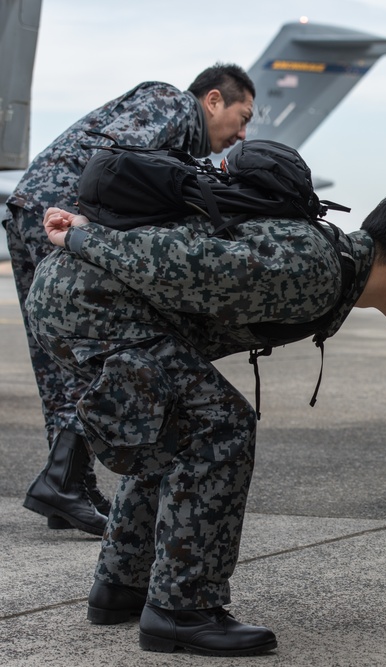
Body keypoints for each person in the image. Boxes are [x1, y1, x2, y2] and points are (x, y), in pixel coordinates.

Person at [26, 189, 386, 655]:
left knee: (175, 423)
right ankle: (183, 609)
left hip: (81, 300)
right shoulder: (312, 268)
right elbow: (181, 260)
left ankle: (122, 584)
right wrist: (82, 237)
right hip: (85, 304)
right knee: (220, 425)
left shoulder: (327, 266)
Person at [2, 63, 256, 536]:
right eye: (242, 117)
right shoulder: (171, 103)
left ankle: (69, 489)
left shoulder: (181, 135)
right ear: (214, 99)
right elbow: (113, 157)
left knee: (65, 363)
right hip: (63, 217)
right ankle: (64, 481)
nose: (242, 133)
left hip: (38, 211)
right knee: (113, 353)